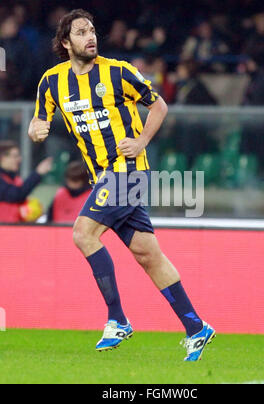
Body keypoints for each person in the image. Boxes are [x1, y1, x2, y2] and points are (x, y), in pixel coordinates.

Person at [28, 9, 215, 362]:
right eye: (82, 32)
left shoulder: (118, 71)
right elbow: (39, 119)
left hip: (129, 172)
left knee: (83, 233)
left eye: (92, 30)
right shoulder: (52, 81)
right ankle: (196, 327)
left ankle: (117, 319)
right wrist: (35, 129)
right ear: (66, 43)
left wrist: (142, 140)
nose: (90, 37)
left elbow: (158, 105)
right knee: (148, 255)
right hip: (103, 177)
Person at [0, 140, 52, 222]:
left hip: (15, 229)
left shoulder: (15, 179)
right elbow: (17, 195)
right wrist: (37, 173)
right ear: (2, 158)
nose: (19, 159)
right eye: (15, 156)